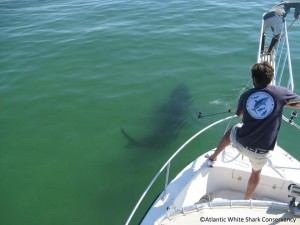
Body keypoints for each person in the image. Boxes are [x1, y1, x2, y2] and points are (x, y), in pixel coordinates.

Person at [209, 61, 300, 200]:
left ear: (254, 79)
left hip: (241, 141)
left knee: (232, 131)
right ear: (271, 78)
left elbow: (240, 115)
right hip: (260, 153)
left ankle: (214, 156)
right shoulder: (281, 93)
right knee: (256, 173)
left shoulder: (245, 95)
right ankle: (247, 199)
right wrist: (282, 103)